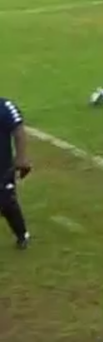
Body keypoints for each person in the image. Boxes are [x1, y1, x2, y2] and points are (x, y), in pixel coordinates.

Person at [1, 96, 30, 249]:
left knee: (6, 202)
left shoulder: (4, 106)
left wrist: (22, 158)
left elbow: (18, 130)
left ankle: (22, 234)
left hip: (2, 167)